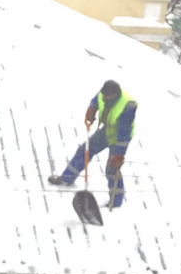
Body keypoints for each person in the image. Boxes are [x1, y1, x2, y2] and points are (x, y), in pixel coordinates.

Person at [48, 79, 138, 207]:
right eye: (103, 95)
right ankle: (66, 178)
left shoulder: (128, 107)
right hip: (107, 131)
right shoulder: (103, 94)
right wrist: (91, 110)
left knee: (112, 169)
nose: (104, 98)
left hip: (120, 139)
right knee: (84, 150)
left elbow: (123, 134)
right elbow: (96, 100)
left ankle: (116, 201)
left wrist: (118, 156)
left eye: (107, 96)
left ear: (114, 95)